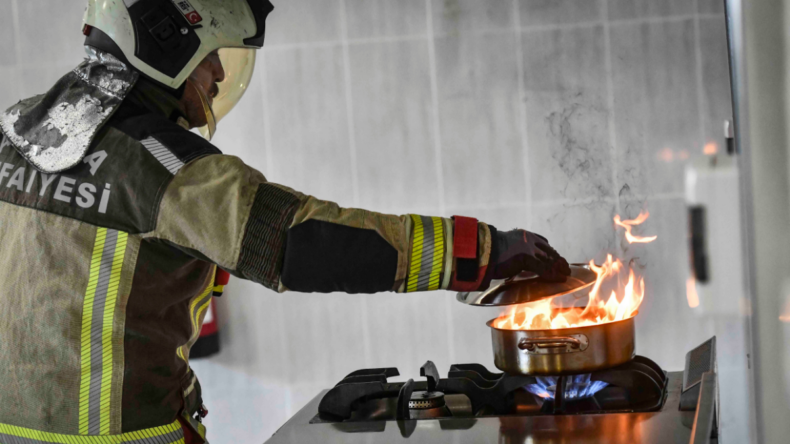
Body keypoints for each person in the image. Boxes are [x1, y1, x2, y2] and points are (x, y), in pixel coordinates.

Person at [0, 0, 570, 442]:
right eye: (212, 51)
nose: (220, 71)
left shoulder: (17, 128)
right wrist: (479, 251)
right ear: (165, 42)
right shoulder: (165, 168)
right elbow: (306, 239)